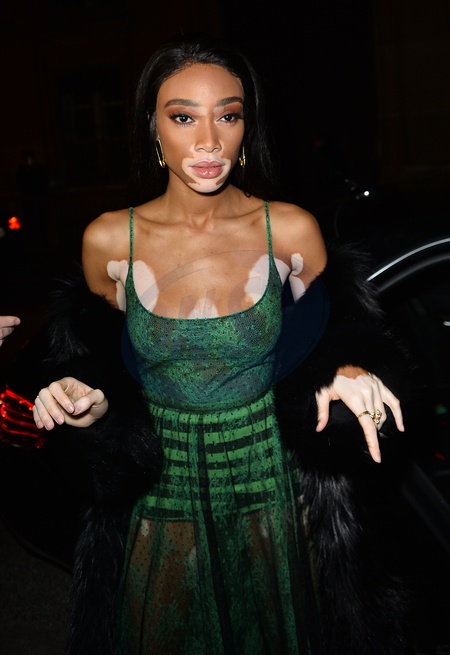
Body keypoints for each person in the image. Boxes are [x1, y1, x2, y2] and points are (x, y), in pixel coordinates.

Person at [32, 33, 411, 655]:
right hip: (160, 494)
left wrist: (348, 367)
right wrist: (88, 401)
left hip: (273, 490)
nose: (208, 140)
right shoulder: (109, 240)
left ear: (246, 126)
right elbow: (103, 363)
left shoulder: (290, 229)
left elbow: (334, 332)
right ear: (153, 128)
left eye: (227, 116)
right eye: (183, 117)